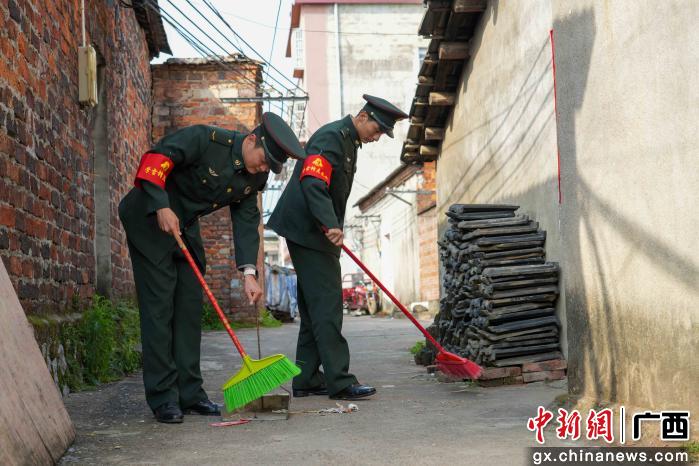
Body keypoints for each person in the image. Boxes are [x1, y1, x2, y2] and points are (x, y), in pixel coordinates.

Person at [119, 113, 304, 423]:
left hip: (184, 225)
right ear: (251, 140)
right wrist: (161, 205)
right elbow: (155, 159)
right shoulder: (205, 140)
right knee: (159, 308)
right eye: (263, 161)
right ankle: (163, 398)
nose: (263, 170)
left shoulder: (255, 176)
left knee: (189, 308)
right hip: (148, 216)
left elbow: (246, 219)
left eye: (269, 168)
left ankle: (190, 394)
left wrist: (249, 274)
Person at [267, 95, 408, 400]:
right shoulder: (331, 137)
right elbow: (313, 182)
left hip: (313, 233)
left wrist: (331, 225)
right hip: (309, 232)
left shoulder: (348, 142)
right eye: (377, 130)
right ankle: (340, 381)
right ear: (362, 116)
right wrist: (330, 224)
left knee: (314, 309)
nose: (377, 137)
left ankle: (306, 378)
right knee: (329, 307)